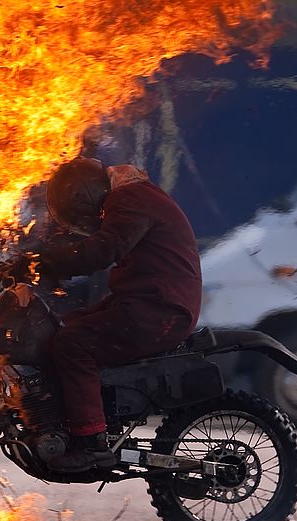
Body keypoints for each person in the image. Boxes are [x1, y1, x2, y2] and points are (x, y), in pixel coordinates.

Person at [26, 157, 202, 473]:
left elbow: (103, 250)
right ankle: (66, 421)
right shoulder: (136, 195)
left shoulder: (131, 198)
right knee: (63, 327)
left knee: (72, 345)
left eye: (80, 213)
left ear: (84, 194)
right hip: (147, 303)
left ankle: (92, 442)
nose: (89, 220)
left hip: (159, 310)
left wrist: (44, 263)